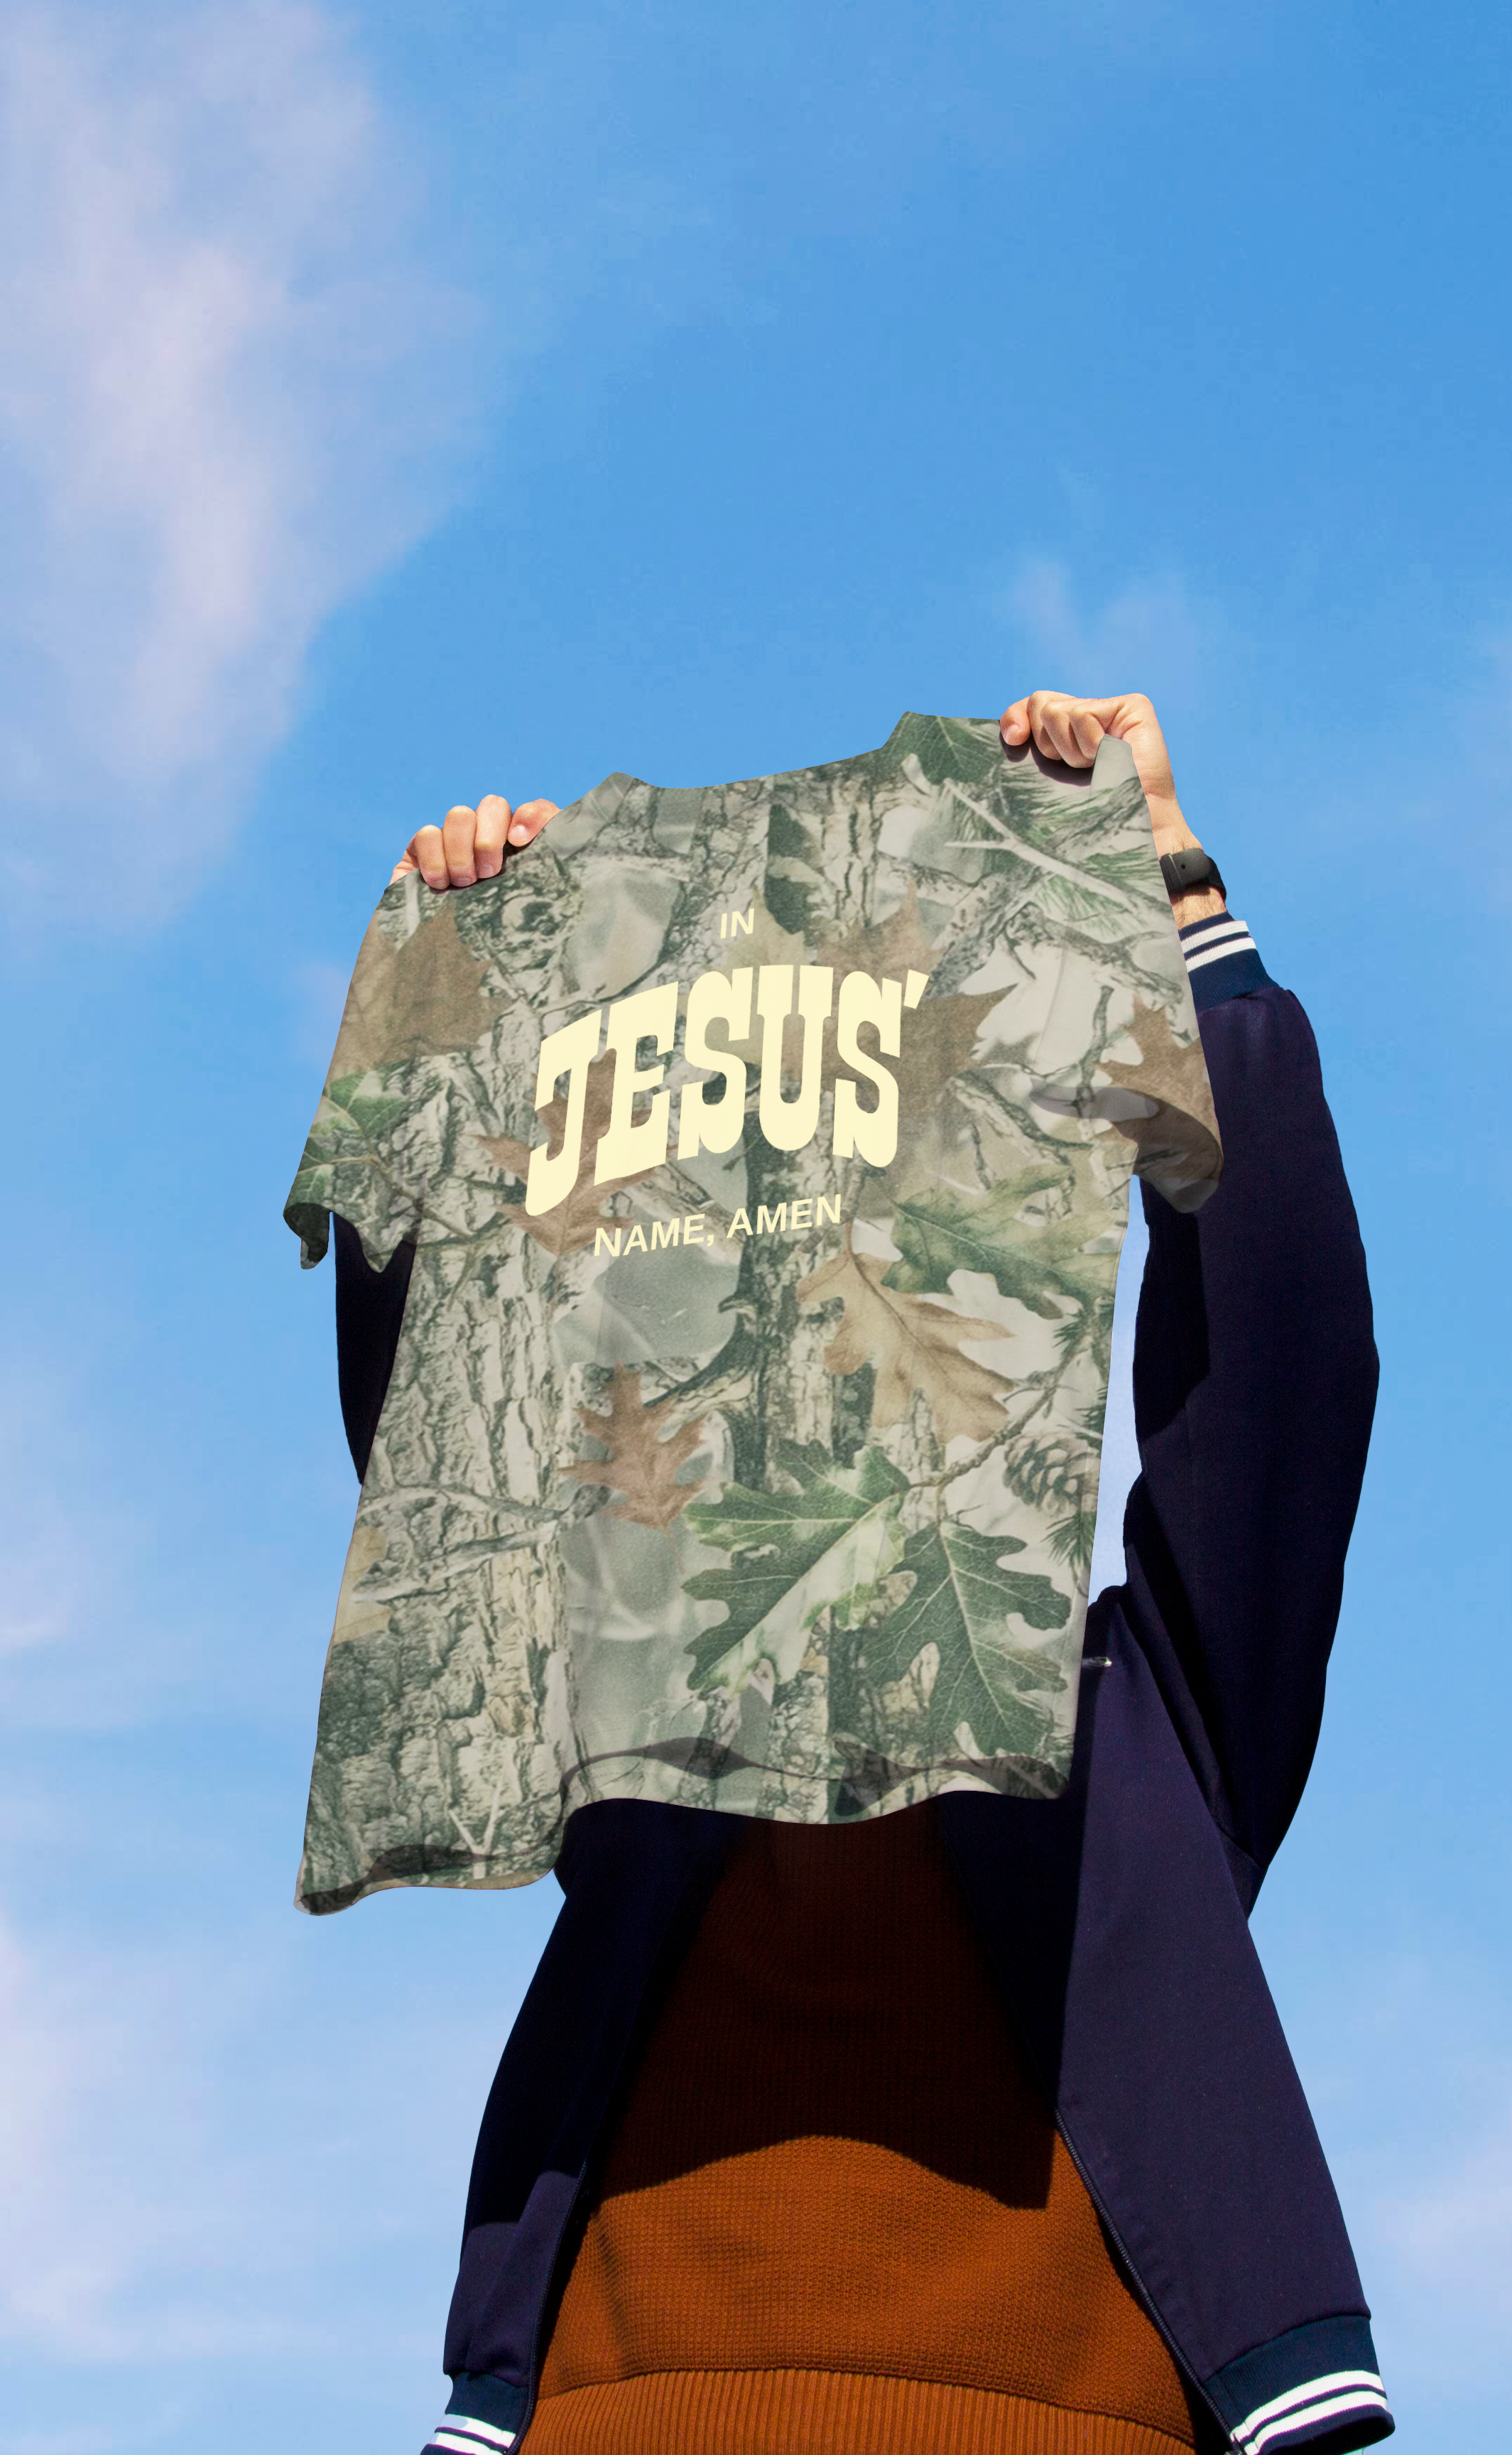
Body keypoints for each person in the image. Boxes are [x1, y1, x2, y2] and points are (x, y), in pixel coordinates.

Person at [340, 692, 1390, 2455]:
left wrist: (1173, 903)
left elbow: (1280, 1365)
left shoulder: (1142, 1723)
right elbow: (449, 1440)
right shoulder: (632, 1681)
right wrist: (449, 1006)